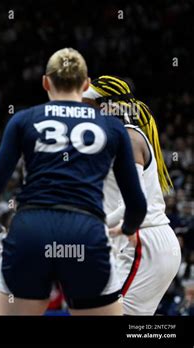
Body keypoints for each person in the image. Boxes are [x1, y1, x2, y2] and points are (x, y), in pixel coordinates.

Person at [0, 48, 147, 315]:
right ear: (86, 84)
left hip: (30, 230)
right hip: (85, 232)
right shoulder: (113, 128)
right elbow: (137, 203)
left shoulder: (23, 119)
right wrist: (128, 229)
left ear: (46, 82)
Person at [82, 75, 181, 315]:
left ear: (103, 107)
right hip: (135, 242)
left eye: (86, 105)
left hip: (144, 241)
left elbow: (136, 202)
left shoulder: (128, 137)